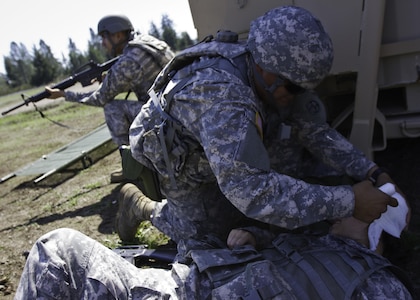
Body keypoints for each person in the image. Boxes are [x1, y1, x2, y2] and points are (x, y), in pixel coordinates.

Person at [120, 5, 406, 246]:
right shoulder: (221, 96)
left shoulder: (272, 75)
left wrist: (372, 171)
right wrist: (348, 200)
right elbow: (250, 189)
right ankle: (141, 206)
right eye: (294, 88)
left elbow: (316, 132)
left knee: (273, 203)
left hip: (220, 148)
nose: (298, 96)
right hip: (178, 159)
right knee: (207, 239)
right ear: (266, 70)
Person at [14, 217, 415, 299]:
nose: (344, 215)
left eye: (361, 216)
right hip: (172, 285)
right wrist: (249, 243)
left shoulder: (381, 284)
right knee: (60, 247)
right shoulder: (321, 242)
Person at [45, 14, 174, 183]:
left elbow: (99, 98)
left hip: (165, 114)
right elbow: (147, 78)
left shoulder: (127, 61)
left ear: (117, 35)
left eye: (104, 38)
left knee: (111, 107)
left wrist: (63, 94)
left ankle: (133, 165)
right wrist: (111, 79)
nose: (102, 44)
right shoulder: (147, 43)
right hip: (175, 103)